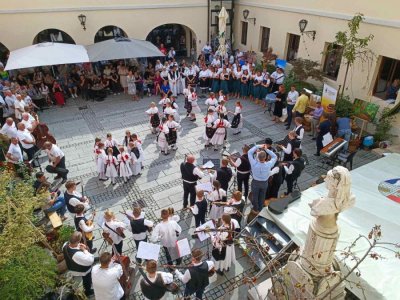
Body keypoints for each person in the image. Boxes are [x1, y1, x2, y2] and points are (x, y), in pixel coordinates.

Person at [63, 231, 94, 296]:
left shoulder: (65, 245)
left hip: (72, 266)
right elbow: (90, 260)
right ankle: (88, 291)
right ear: (77, 241)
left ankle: (83, 287)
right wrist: (84, 250)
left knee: (81, 279)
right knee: (87, 279)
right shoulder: (77, 254)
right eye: (79, 240)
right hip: (81, 270)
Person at [248, 144, 277, 212]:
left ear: (258, 157)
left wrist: (258, 146)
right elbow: (274, 156)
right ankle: (260, 209)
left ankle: (255, 209)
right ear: (266, 157)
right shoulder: (268, 164)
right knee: (262, 196)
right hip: (264, 183)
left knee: (255, 196)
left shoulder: (254, 163)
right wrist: (266, 149)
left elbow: (249, 152)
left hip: (255, 182)